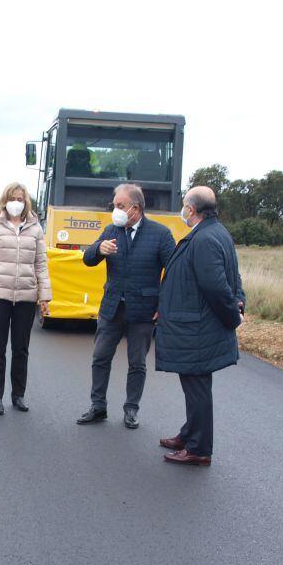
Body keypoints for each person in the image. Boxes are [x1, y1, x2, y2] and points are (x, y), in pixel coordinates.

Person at [155, 186, 246, 466]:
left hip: (197, 329)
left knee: (197, 389)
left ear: (191, 209)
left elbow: (216, 286)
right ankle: (189, 434)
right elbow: (233, 276)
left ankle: (198, 448)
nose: (183, 209)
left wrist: (233, 315)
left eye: (184, 205)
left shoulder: (204, 238)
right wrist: (239, 301)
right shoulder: (216, 232)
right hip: (196, 326)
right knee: (194, 386)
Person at [76, 183, 176, 429]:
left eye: (120, 206)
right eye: (115, 205)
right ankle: (98, 406)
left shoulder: (160, 234)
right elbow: (88, 259)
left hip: (143, 309)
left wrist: (163, 304)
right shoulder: (111, 230)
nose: (116, 210)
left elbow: (174, 271)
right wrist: (99, 248)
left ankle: (131, 408)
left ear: (136, 208)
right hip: (112, 308)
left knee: (137, 362)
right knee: (100, 357)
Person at [0, 183, 51, 414]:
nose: (16, 202)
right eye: (12, 198)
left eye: (20, 198)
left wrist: (44, 296)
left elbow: (41, 264)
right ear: (5, 200)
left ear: (26, 201)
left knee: (21, 349)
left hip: (26, 297)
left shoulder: (35, 229)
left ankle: (18, 395)